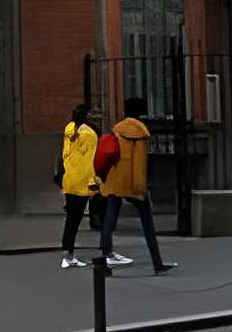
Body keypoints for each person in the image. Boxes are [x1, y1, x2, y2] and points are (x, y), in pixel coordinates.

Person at [96, 94, 176, 274]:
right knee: (147, 224)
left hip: (116, 179)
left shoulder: (117, 129)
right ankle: (157, 263)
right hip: (132, 183)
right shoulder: (141, 132)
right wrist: (140, 189)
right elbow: (139, 164)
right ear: (140, 112)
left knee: (109, 221)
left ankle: (105, 261)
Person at [56, 101, 101, 269]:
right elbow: (89, 161)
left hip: (69, 179)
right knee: (74, 220)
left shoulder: (70, 130)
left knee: (71, 220)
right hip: (82, 181)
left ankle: (67, 254)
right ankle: (68, 256)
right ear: (88, 116)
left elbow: (65, 155)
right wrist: (93, 183)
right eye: (93, 113)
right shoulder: (89, 134)